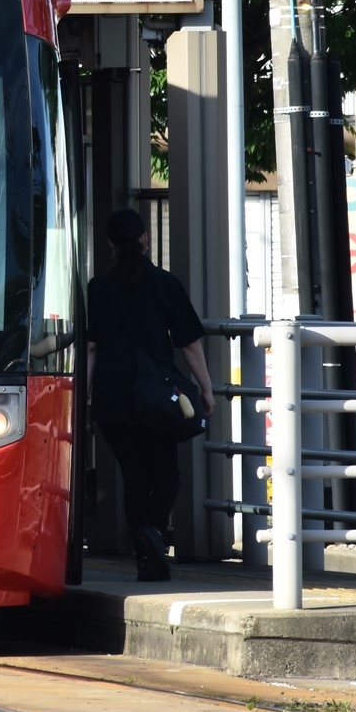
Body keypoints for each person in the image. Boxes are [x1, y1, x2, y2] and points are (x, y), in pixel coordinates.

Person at [87, 207, 214, 582]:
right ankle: (154, 532)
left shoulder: (98, 288)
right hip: (158, 399)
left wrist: (86, 398)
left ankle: (146, 552)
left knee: (134, 476)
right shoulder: (166, 284)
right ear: (145, 238)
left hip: (113, 400)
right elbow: (189, 344)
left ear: (110, 243)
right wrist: (206, 389)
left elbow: (91, 349)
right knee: (167, 474)